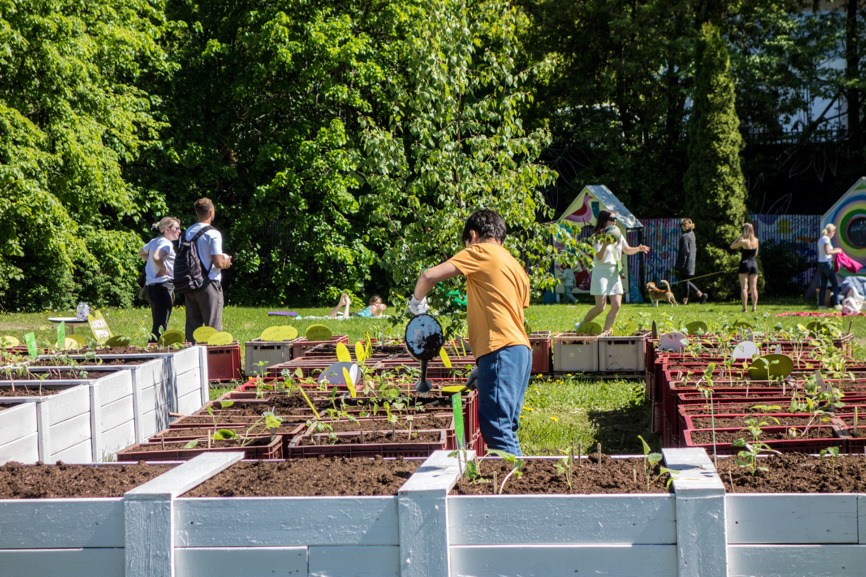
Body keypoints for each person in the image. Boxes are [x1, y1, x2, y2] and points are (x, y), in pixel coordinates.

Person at [408, 209, 531, 456]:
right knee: (506, 427)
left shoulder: (480, 250)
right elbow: (509, 313)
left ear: (473, 236)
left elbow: (428, 276)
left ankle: (507, 491)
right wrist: (485, 365)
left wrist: (417, 303)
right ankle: (515, 482)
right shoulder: (515, 265)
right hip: (519, 352)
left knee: (497, 430)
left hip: (501, 351)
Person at [577, 210, 649, 336]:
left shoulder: (618, 234)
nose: (614, 221)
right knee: (600, 307)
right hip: (601, 272)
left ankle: (605, 332)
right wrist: (605, 244)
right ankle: (581, 325)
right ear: (604, 220)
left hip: (614, 272)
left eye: (615, 218)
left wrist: (638, 249)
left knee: (616, 305)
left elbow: (626, 250)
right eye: (612, 218)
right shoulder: (598, 236)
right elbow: (598, 257)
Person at [183, 198, 232, 342]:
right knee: (212, 328)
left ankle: (191, 361)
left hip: (190, 284)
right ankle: (212, 361)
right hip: (208, 284)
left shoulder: (186, 233)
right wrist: (226, 262)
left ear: (197, 213)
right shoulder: (212, 233)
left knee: (192, 329)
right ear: (211, 212)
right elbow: (217, 262)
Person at [139, 217, 181, 343]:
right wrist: (162, 268)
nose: (179, 231)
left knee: (158, 323)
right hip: (163, 287)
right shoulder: (166, 243)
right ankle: (154, 354)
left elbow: (141, 253)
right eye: (177, 228)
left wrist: (153, 262)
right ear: (167, 229)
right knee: (161, 326)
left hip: (152, 288)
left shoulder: (154, 241)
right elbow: (157, 257)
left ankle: (154, 351)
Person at [673, 218, 708, 305]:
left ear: (685, 226)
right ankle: (700, 295)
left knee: (685, 281)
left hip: (686, 262)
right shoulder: (692, 234)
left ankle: (685, 300)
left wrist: (679, 266)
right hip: (691, 261)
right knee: (686, 280)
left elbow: (684, 252)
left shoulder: (685, 236)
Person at [730, 223, 760, 313]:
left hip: (744, 264)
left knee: (744, 287)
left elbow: (732, 246)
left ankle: (744, 308)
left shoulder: (744, 242)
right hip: (753, 264)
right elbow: (756, 254)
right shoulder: (756, 240)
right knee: (753, 288)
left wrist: (740, 237)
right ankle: (754, 308)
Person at [816, 223, 843, 310]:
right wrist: (837, 251)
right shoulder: (826, 239)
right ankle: (837, 304)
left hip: (820, 264)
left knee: (823, 285)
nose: (834, 234)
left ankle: (821, 305)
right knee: (834, 284)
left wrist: (833, 250)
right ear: (831, 231)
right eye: (834, 232)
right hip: (827, 264)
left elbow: (825, 252)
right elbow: (828, 252)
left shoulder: (821, 239)